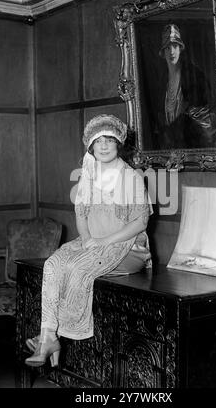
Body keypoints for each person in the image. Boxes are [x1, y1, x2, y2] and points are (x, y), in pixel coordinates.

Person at [24, 114, 152, 367]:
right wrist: (87, 240)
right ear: (91, 146)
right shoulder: (88, 176)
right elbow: (80, 215)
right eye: (98, 141)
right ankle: (48, 336)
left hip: (128, 248)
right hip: (94, 241)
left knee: (76, 267)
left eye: (109, 140)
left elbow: (140, 223)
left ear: (119, 145)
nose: (103, 146)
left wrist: (102, 241)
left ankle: (53, 337)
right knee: (53, 264)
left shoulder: (131, 177)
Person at [152, 23, 216, 149]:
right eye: (167, 47)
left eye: (175, 46)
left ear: (180, 48)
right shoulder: (162, 81)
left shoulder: (194, 75)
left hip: (193, 143)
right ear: (163, 52)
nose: (172, 51)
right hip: (170, 145)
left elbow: (204, 116)